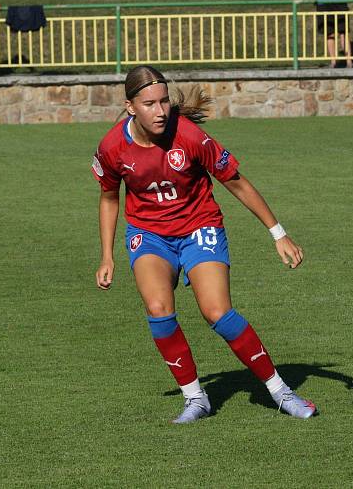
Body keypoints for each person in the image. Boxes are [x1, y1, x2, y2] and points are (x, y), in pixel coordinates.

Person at [92, 65, 317, 424]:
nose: (161, 110)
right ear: (130, 106)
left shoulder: (192, 137)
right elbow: (108, 197)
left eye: (164, 101)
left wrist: (279, 233)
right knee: (158, 308)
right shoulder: (112, 147)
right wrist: (106, 256)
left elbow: (237, 182)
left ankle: (280, 391)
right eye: (150, 103)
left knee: (217, 312)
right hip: (149, 234)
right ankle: (196, 399)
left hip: (199, 227)